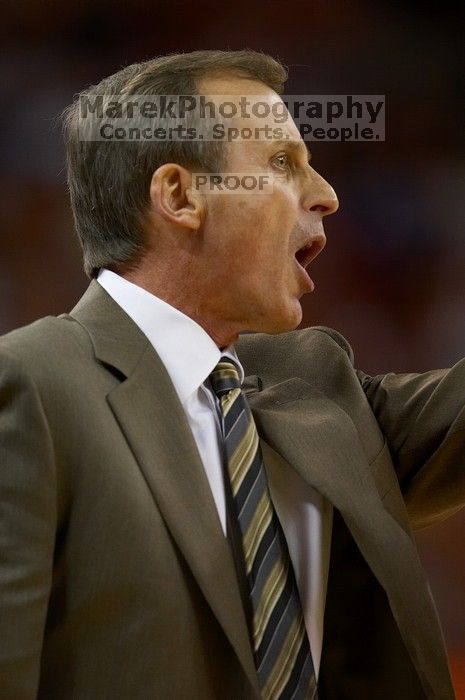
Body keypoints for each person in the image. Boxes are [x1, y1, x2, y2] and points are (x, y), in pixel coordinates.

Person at [0, 49, 462, 700]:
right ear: (181, 195)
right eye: (281, 163)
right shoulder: (31, 384)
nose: (326, 195)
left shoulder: (318, 386)